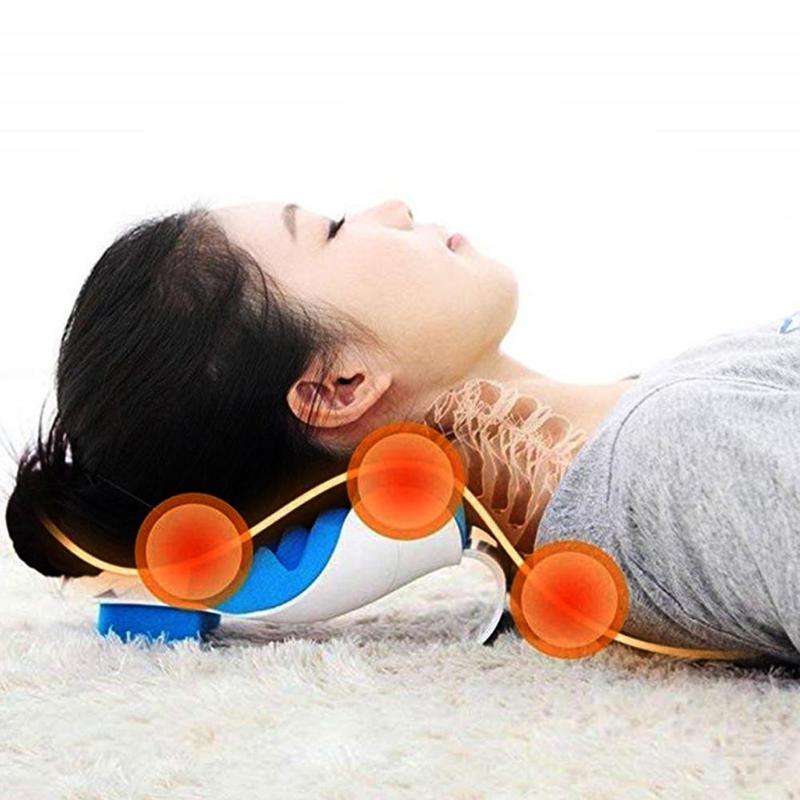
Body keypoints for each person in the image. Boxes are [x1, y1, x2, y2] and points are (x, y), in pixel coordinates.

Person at [4, 199, 799, 665]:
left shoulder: (666, 422)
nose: (392, 207)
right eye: (334, 228)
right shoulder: (681, 458)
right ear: (338, 386)